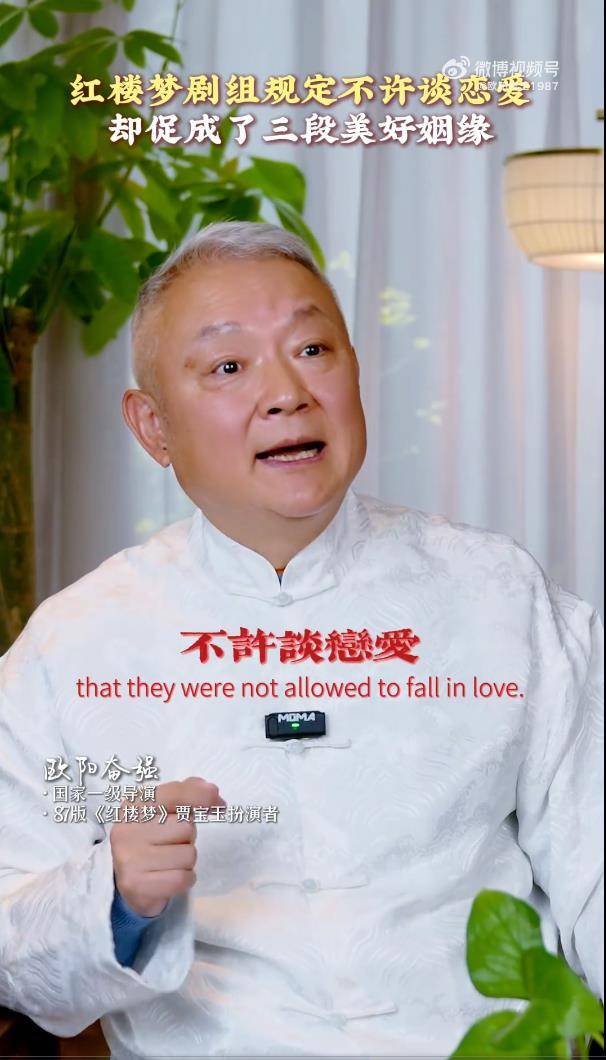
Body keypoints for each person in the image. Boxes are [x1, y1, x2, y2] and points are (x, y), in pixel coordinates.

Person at [0, 221, 603, 1060]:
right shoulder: (76, 646)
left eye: (313, 349)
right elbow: (13, 949)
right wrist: (115, 896)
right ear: (153, 427)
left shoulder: (501, 595)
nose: (286, 393)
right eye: (228, 366)